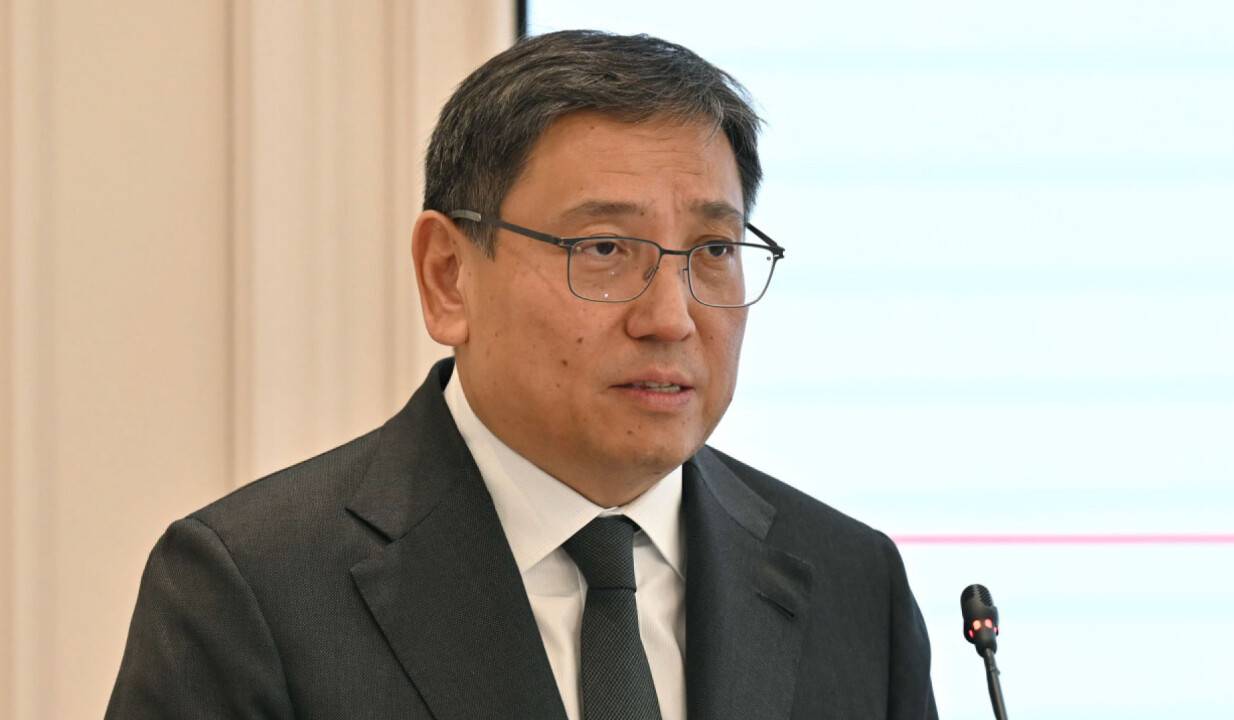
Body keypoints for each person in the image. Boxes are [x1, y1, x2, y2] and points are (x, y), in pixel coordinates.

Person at [107, 29, 938, 720]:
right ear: (448, 276)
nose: (671, 317)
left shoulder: (851, 584)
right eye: (604, 249)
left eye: (714, 250)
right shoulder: (254, 588)